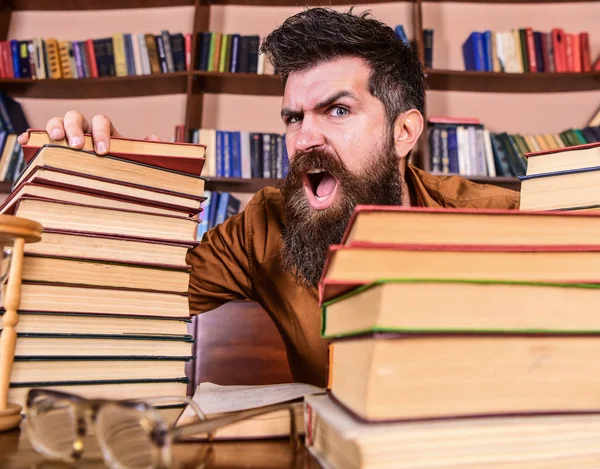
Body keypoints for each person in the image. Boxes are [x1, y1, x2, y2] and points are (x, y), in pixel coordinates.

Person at [18, 8, 519, 387]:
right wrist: (97, 190)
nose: (304, 139)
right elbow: (129, 300)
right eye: (294, 117)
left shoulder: (500, 218)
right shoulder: (264, 225)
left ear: (404, 131)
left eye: (338, 111)